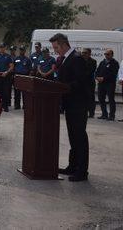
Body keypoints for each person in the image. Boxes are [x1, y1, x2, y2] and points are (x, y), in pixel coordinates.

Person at [50, 33, 90, 182]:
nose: (55, 51)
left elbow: (81, 82)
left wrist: (63, 87)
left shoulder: (76, 58)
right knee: (73, 137)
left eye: (56, 47)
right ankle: (72, 166)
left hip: (78, 104)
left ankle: (82, 171)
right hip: (70, 104)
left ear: (63, 44)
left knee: (79, 137)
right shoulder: (66, 59)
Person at [95, 49, 119, 121]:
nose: (106, 55)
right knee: (101, 98)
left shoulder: (114, 63)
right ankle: (104, 114)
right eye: (105, 54)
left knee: (111, 99)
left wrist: (104, 78)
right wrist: (97, 77)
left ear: (112, 55)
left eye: (108, 54)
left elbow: (113, 74)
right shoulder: (102, 62)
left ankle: (111, 115)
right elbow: (97, 71)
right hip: (101, 84)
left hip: (110, 84)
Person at [81, 48, 97, 118]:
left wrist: (81, 75)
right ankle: (83, 112)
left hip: (89, 83)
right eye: (83, 53)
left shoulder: (93, 61)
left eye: (85, 53)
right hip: (82, 83)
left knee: (91, 98)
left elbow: (90, 71)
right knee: (82, 98)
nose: (83, 54)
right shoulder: (79, 60)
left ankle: (91, 113)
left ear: (89, 54)